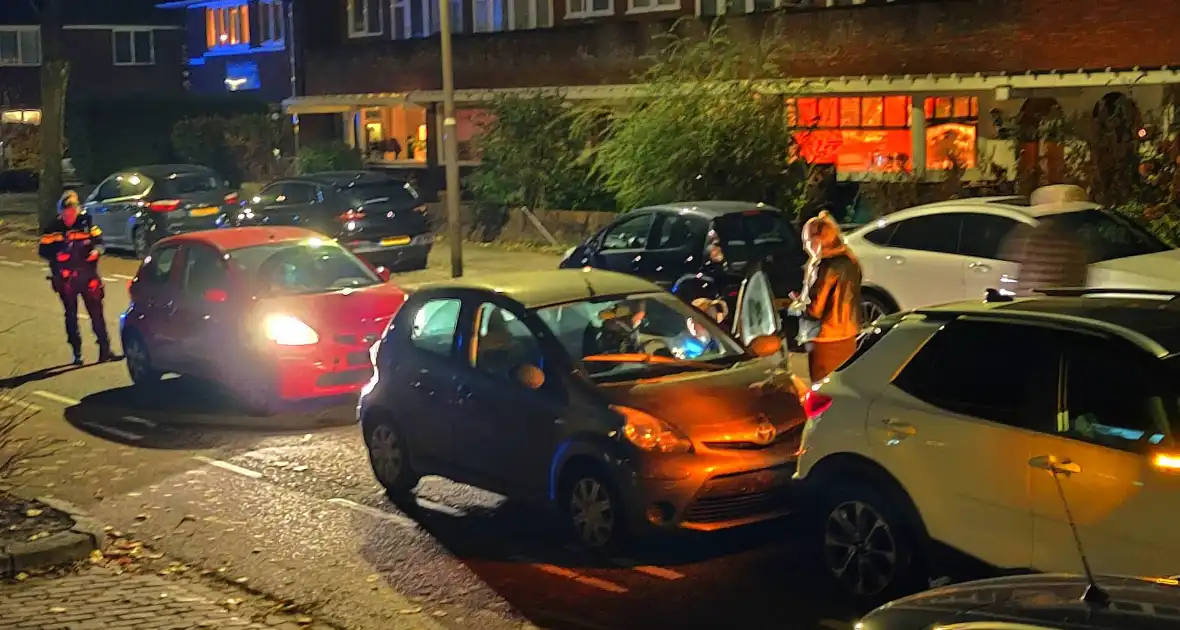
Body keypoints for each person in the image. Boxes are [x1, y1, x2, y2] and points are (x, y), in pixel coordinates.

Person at [38, 190, 115, 365]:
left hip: (88, 275)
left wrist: (96, 251)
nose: (70, 216)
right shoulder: (52, 228)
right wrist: (57, 256)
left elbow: (100, 242)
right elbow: (43, 250)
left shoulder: (86, 222)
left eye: (73, 211)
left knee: (96, 312)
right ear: (61, 213)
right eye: (67, 213)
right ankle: (77, 353)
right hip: (66, 279)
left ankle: (105, 349)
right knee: (71, 315)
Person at [788, 211, 862, 381]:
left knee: (824, 390)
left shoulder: (824, 267)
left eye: (806, 242)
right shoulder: (850, 260)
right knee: (843, 384)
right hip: (849, 335)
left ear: (817, 241)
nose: (805, 247)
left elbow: (815, 309)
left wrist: (797, 305)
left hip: (825, 339)